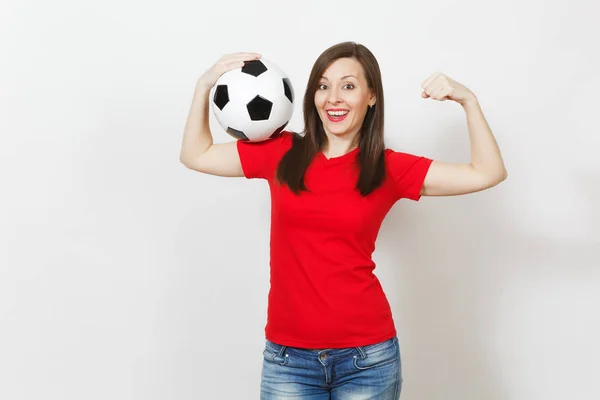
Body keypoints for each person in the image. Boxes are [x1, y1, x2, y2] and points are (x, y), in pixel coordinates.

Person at [180, 42, 507, 399]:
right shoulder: (281, 153)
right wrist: (204, 85)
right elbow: (196, 154)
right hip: (288, 358)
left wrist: (469, 102)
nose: (333, 98)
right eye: (323, 86)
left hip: (367, 358)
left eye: (348, 86)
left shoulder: (389, 168)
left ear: (371, 97)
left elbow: (487, 172)